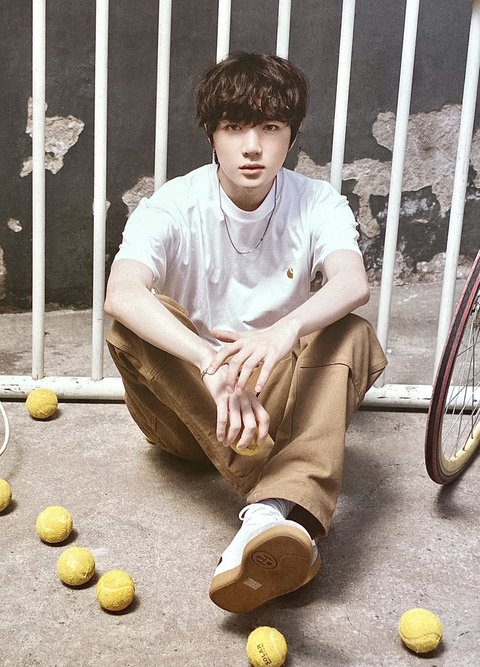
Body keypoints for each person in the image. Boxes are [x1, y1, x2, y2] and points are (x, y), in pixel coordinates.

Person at [104, 52, 387, 614]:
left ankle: (263, 518)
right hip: (187, 412)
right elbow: (122, 291)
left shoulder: (317, 202)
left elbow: (352, 281)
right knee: (133, 325)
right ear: (212, 135)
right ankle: (284, 502)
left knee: (351, 333)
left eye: (270, 127)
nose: (252, 147)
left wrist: (283, 332)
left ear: (292, 136)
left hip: (271, 402)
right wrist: (209, 363)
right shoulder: (174, 204)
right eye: (234, 127)